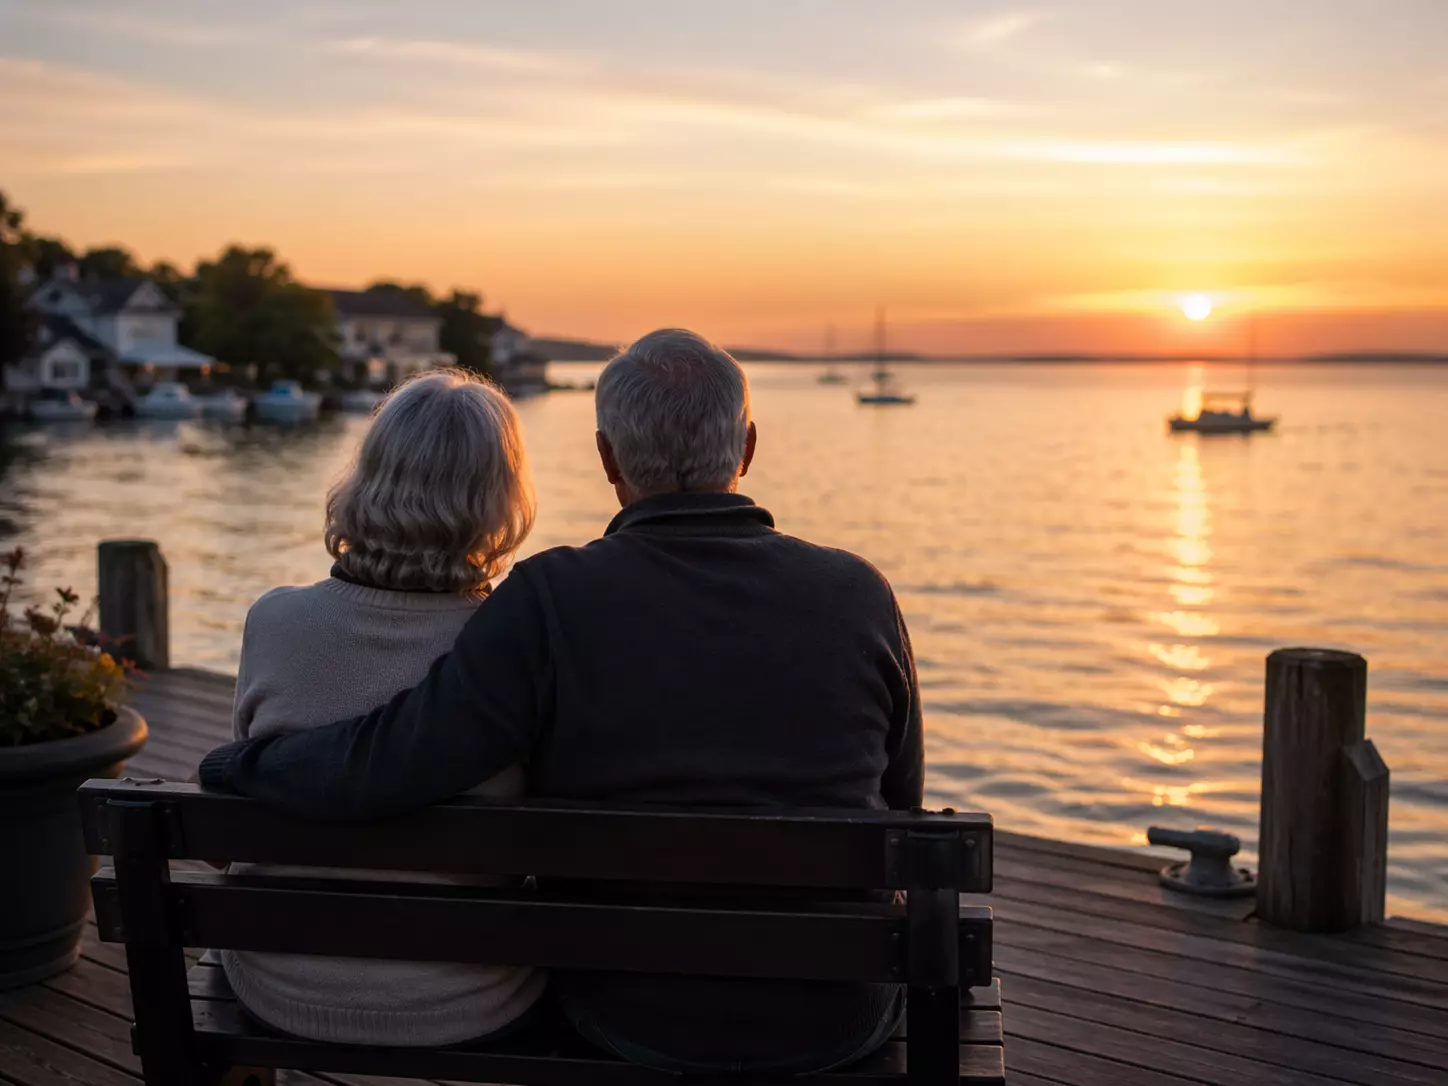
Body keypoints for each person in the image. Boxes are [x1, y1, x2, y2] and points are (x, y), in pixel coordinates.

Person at [200, 329, 923, 1074]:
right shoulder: (861, 593)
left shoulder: (553, 599)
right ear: (747, 447)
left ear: (607, 458)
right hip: (841, 1015)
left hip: (630, 1014)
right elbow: (903, 809)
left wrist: (241, 769)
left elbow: (397, 757)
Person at [218, 368, 544, 1047]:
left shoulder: (273, 621)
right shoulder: (513, 651)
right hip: (469, 995)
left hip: (279, 980)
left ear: (370, 474)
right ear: (500, 495)